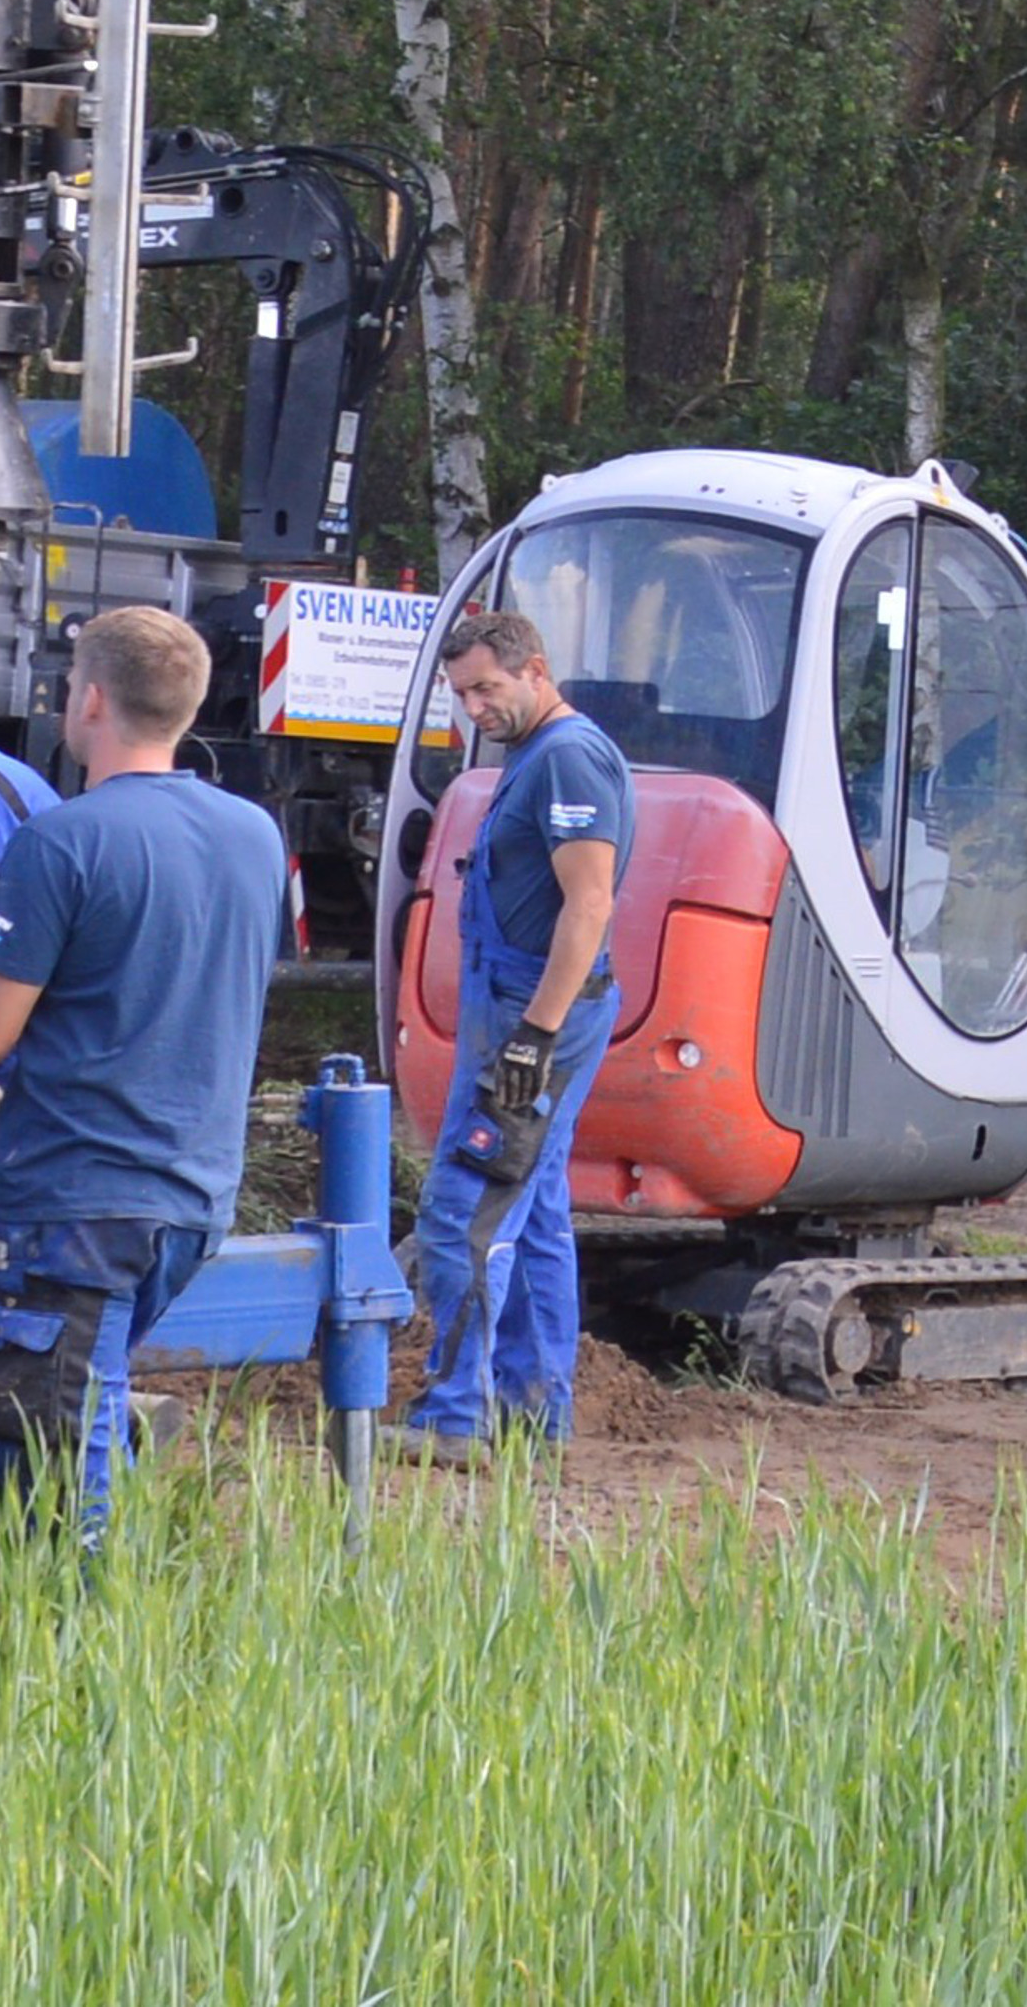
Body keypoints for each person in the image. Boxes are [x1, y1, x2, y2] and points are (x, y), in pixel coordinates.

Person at [0, 598, 286, 1546]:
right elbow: (147, 964)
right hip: (189, 1200)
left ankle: (73, 1649)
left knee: (39, 1472)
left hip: (75, 1209)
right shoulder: (252, 835)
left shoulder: (64, 839)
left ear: (86, 702)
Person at [398, 599, 627, 1450]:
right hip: (519, 1006)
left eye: (487, 688)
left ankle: (455, 1416)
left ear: (536, 671)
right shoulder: (540, 753)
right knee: (536, 1215)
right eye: (462, 695)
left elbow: (590, 902)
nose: (475, 709)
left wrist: (536, 1031)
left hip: (534, 1015)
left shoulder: (567, 760)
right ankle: (535, 1410)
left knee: (464, 1211)